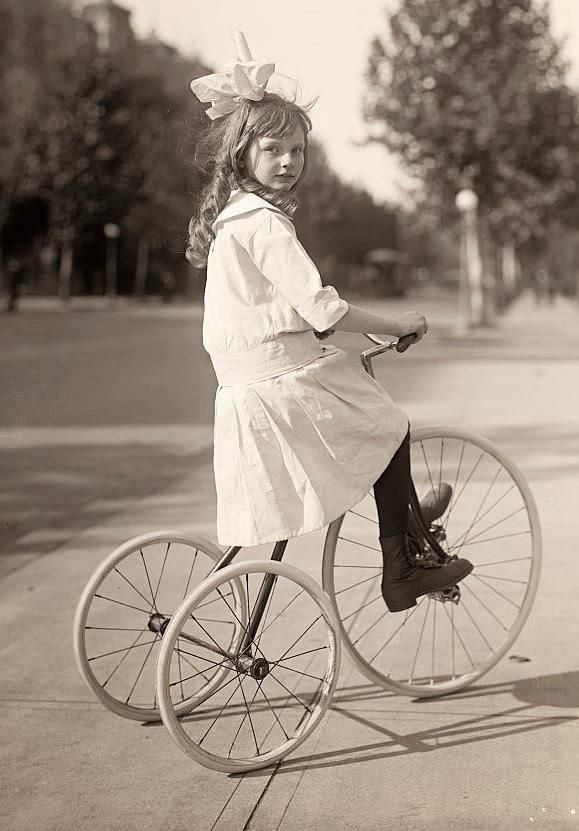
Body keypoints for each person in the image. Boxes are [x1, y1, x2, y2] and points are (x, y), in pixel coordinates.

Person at [188, 52, 472, 612]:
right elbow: (322, 309)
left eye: (297, 150)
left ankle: (409, 518)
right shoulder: (264, 224)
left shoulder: (233, 220)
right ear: (242, 155)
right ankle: (404, 566)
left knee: (367, 423)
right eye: (273, 150)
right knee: (389, 425)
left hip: (250, 388)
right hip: (280, 387)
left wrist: (344, 343)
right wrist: (395, 324)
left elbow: (281, 319)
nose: (289, 161)